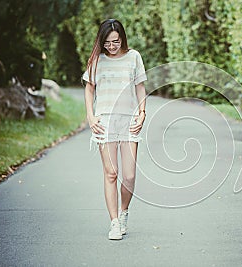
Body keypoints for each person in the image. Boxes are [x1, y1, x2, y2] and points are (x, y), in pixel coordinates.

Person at [82, 19, 147, 240]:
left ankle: (124, 211)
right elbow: (89, 89)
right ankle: (114, 222)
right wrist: (90, 116)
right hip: (105, 122)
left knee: (128, 175)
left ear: (122, 39)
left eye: (116, 41)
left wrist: (142, 113)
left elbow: (140, 87)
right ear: (102, 41)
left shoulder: (134, 57)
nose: (112, 46)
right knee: (111, 173)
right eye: (108, 42)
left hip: (129, 120)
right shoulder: (96, 60)